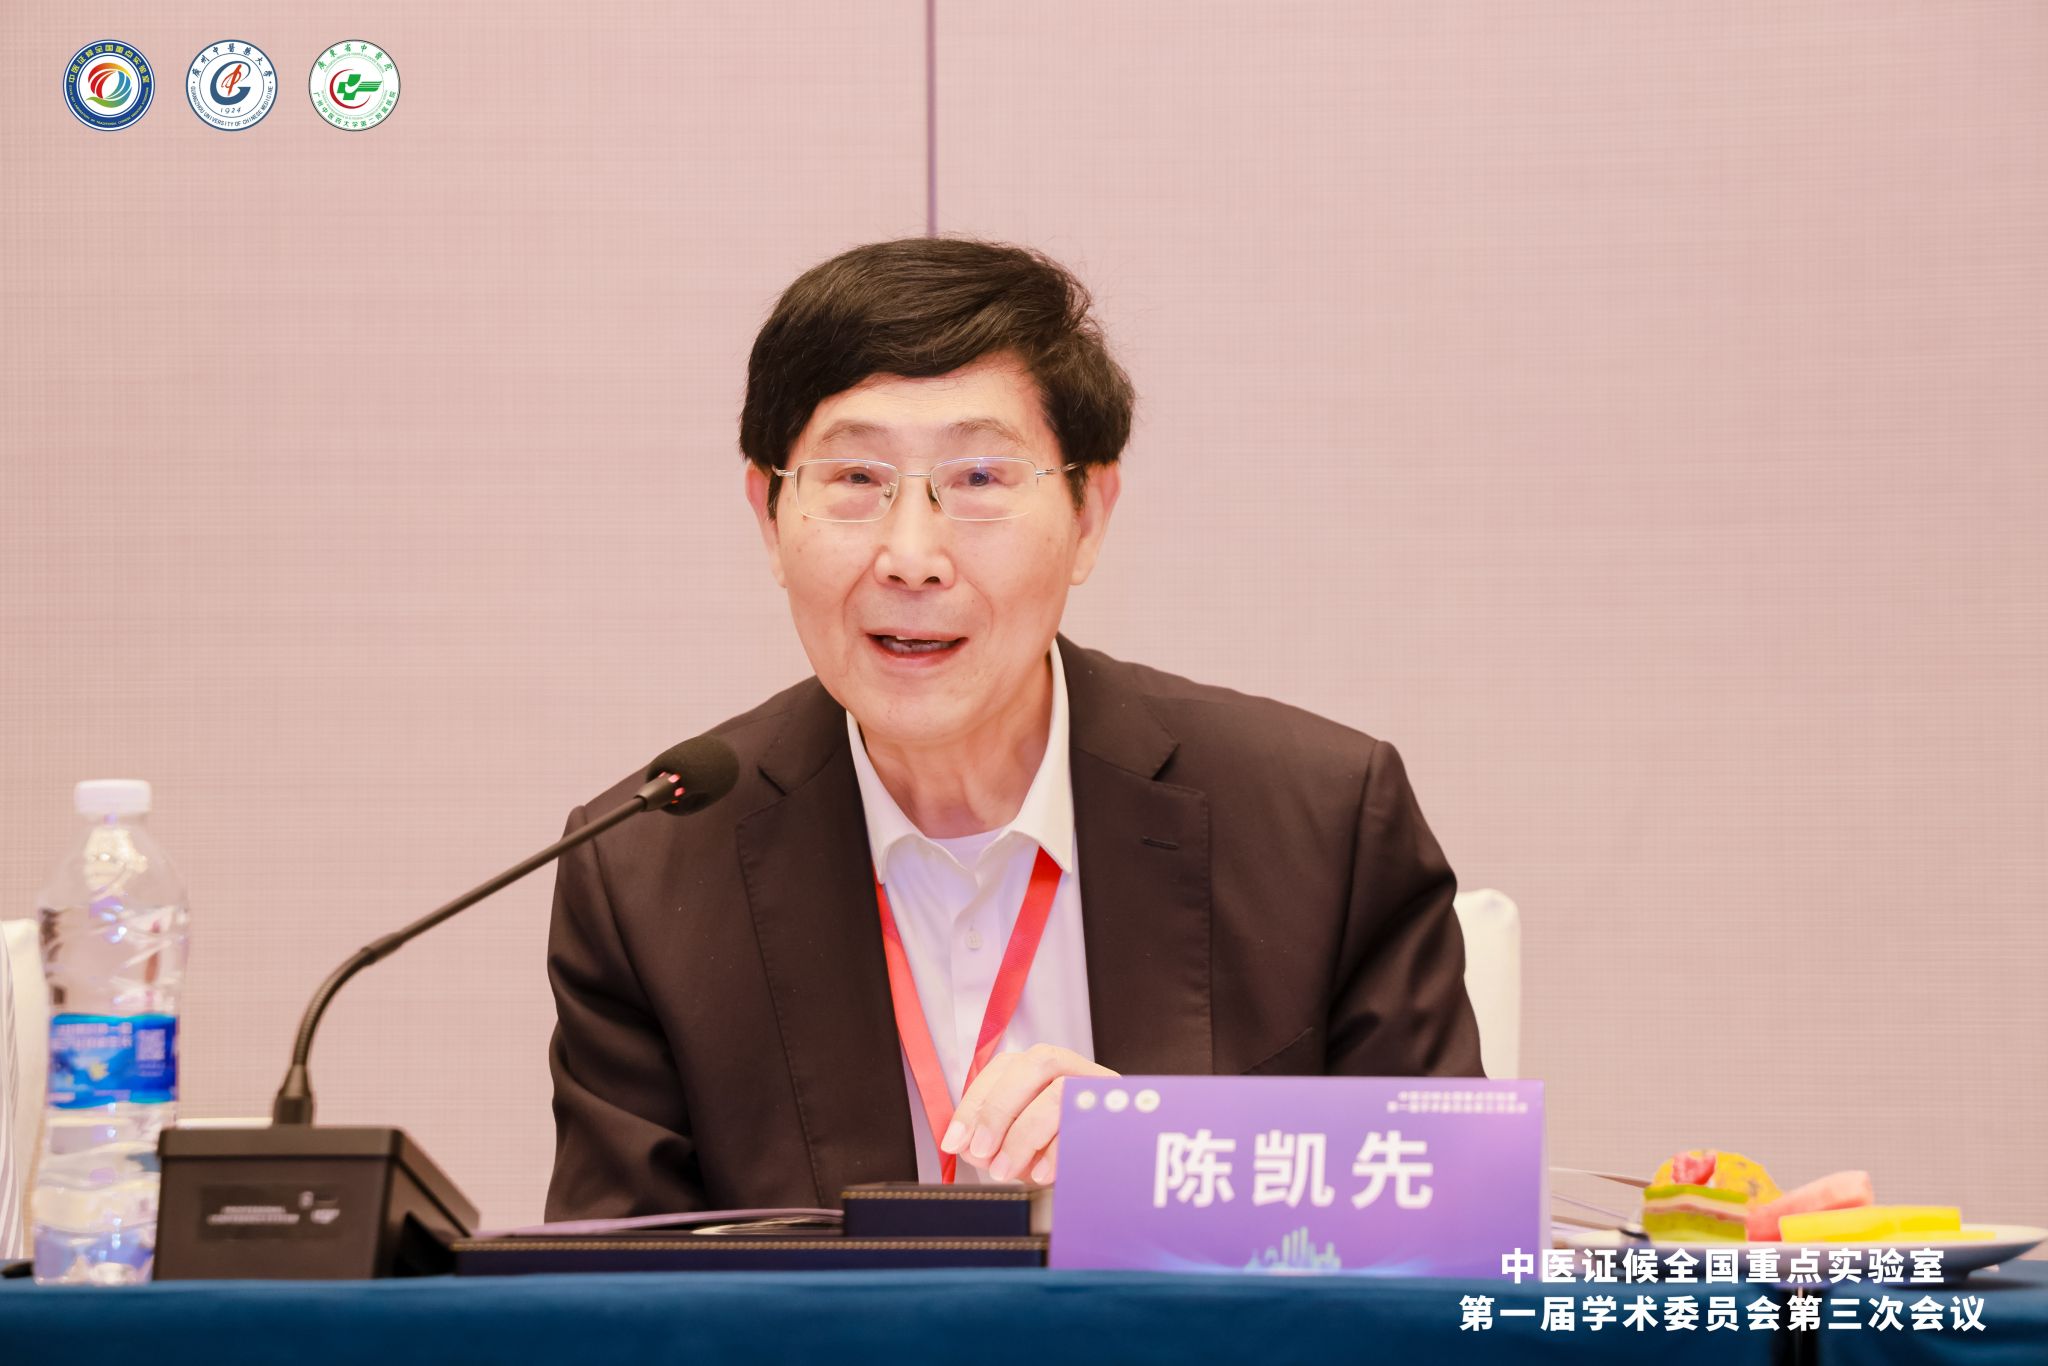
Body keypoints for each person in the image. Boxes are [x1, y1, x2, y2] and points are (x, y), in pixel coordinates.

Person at [544, 238, 1481, 1218]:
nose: (912, 555)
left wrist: (1155, 1176)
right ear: (768, 515)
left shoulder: (1317, 824)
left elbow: (1454, 1217)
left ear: (1088, 514)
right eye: (855, 477)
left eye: (981, 477)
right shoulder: (648, 872)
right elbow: (617, 1286)